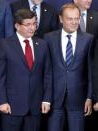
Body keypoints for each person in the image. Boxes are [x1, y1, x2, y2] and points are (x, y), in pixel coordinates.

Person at [0, 9, 52, 131]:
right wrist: (2, 101)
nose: (32, 28)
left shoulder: (42, 44)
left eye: (34, 24)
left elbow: (47, 74)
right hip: (11, 106)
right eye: (28, 24)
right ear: (17, 26)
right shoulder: (4, 45)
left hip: (35, 107)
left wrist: (46, 99)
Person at [44, 3, 93, 131]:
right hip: (54, 100)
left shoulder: (88, 39)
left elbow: (91, 72)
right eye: (70, 19)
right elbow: (46, 71)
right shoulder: (49, 39)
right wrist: (46, 98)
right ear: (61, 19)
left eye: (77, 18)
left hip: (79, 99)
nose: (74, 22)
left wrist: (89, 97)